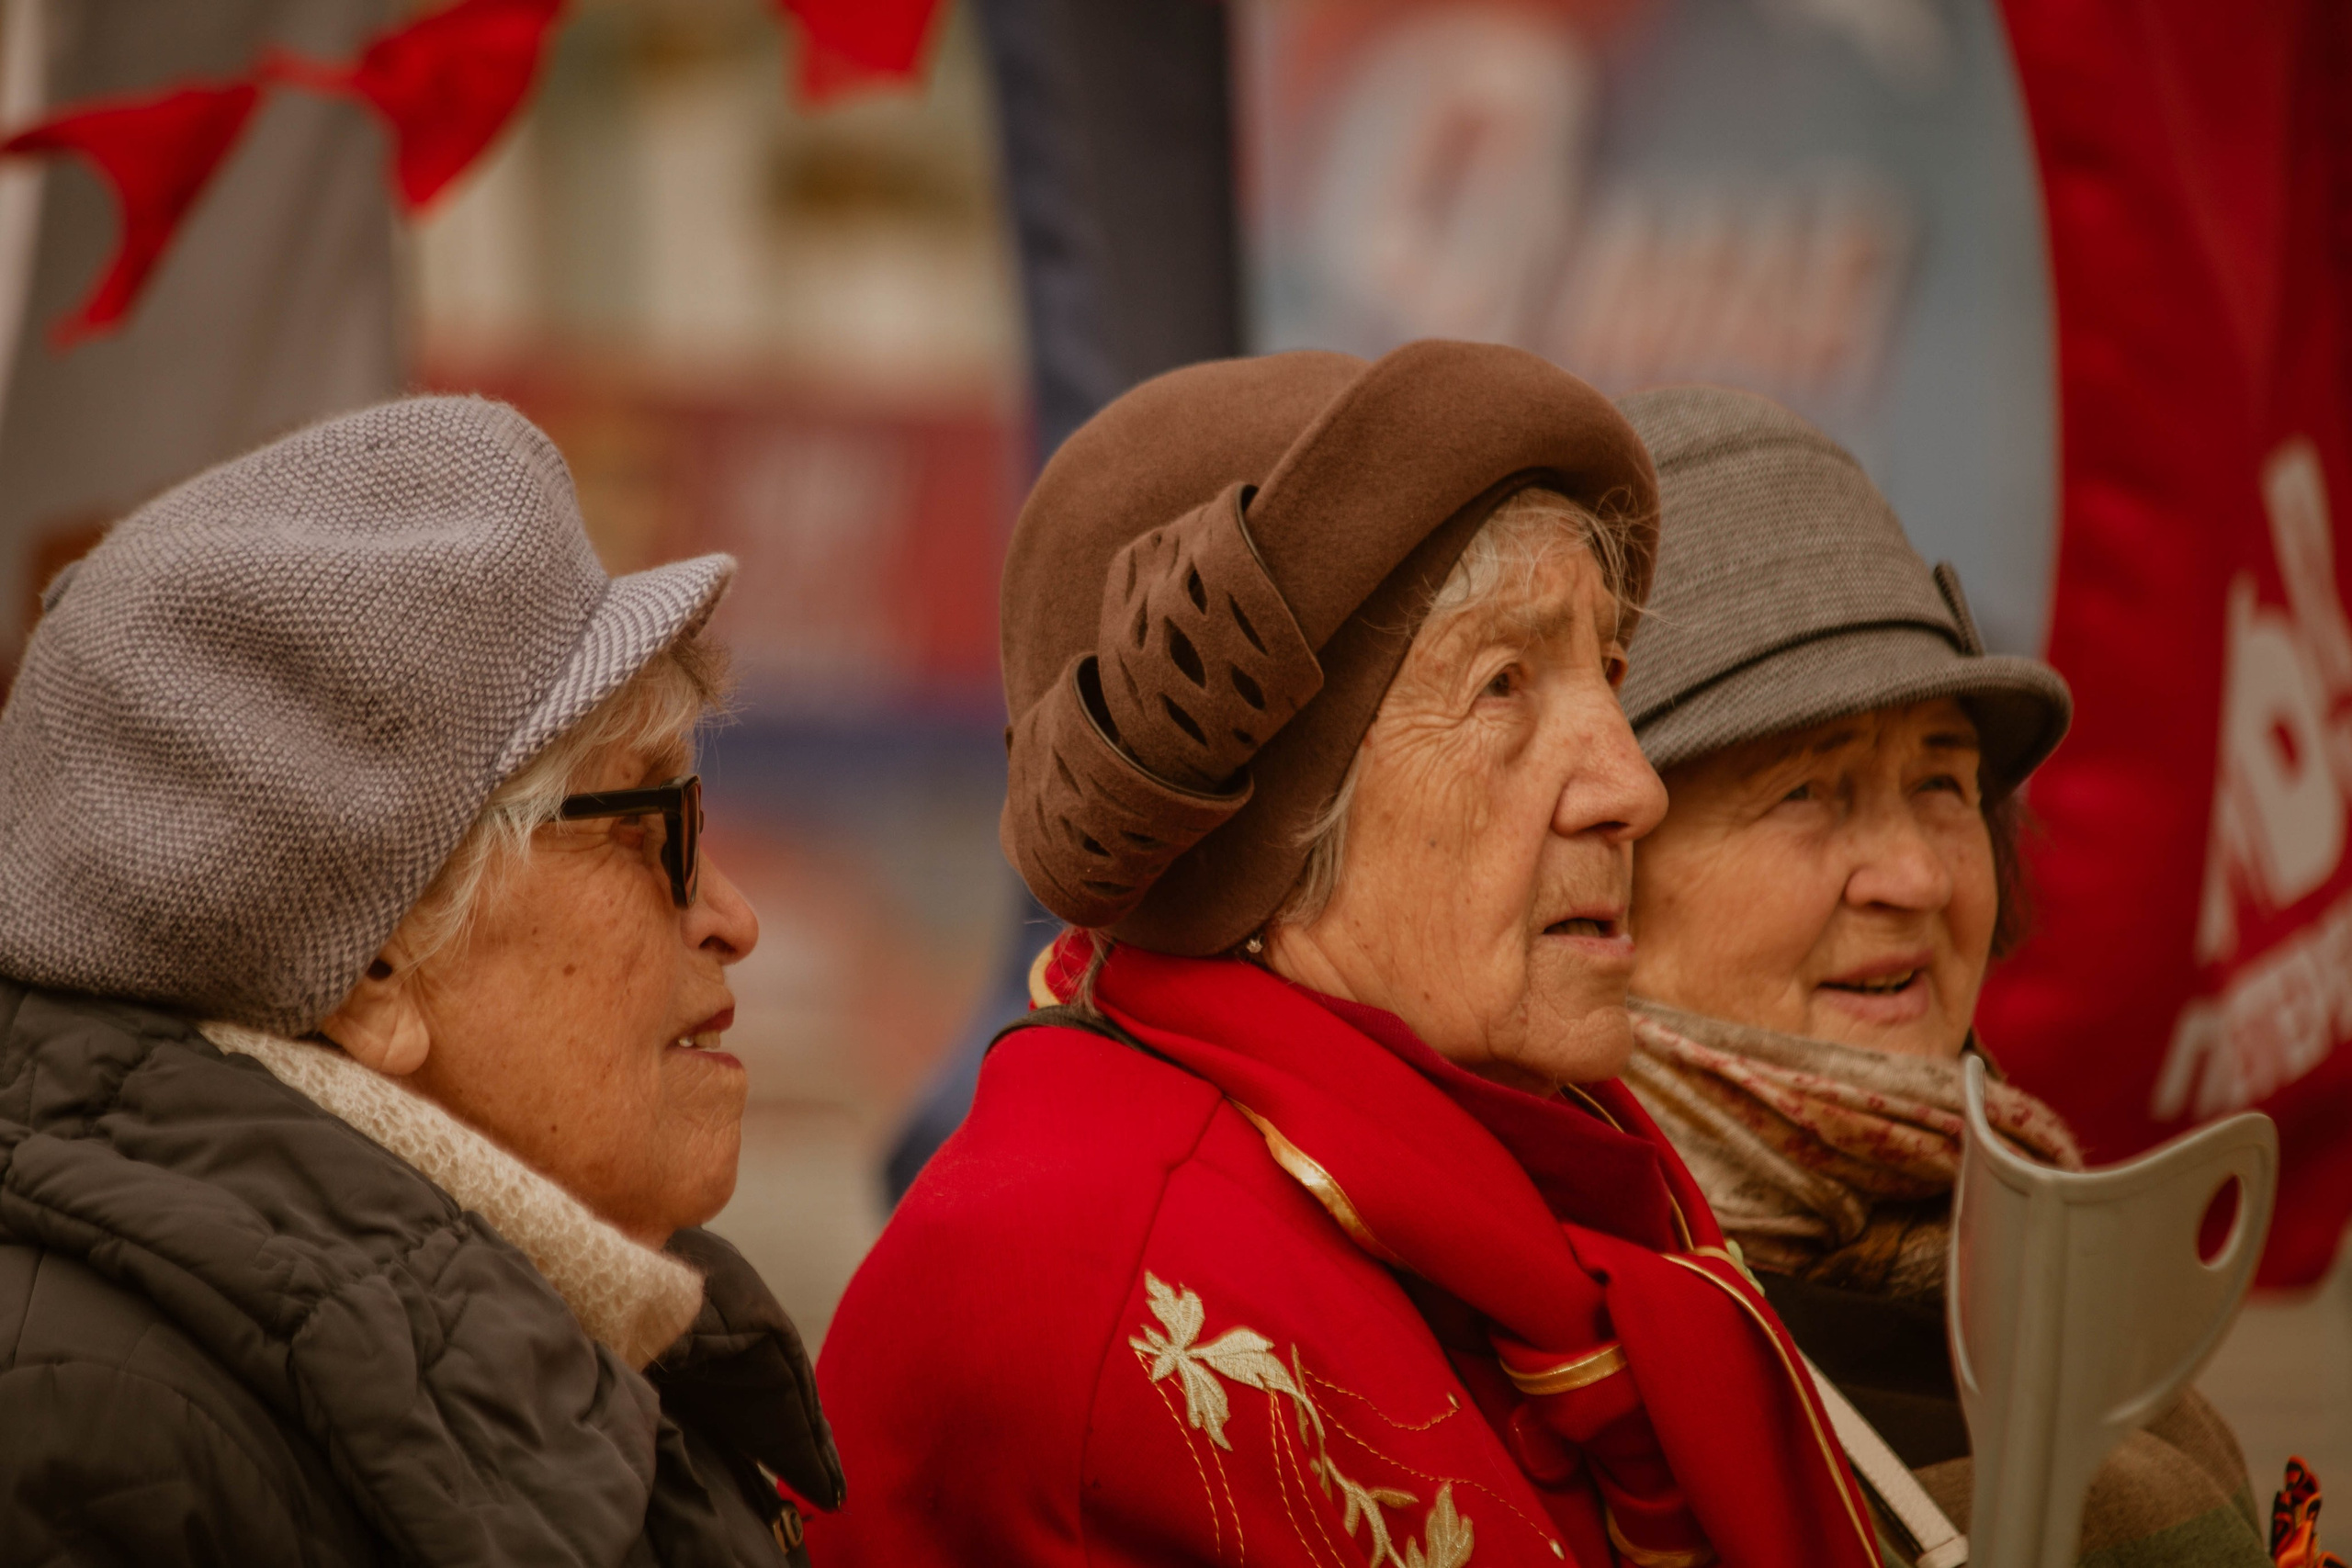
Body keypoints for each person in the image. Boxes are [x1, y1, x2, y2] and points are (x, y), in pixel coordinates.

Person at [813, 342, 1883, 1568]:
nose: (1631, 785)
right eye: (1503, 686)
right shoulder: (1073, 1286)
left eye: (1610, 676)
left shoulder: (1543, 1190)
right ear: (1269, 831)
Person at [0, 398, 842, 1564]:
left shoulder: (596, 1347)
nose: (732, 920)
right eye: (648, 824)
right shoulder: (109, 1444)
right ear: (373, 965)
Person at [1611, 385, 2269, 1566]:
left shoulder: (2057, 1292)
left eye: (1939, 782)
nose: (1915, 876)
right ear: (1603, 878)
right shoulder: (1566, 1364)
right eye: (1805, 793)